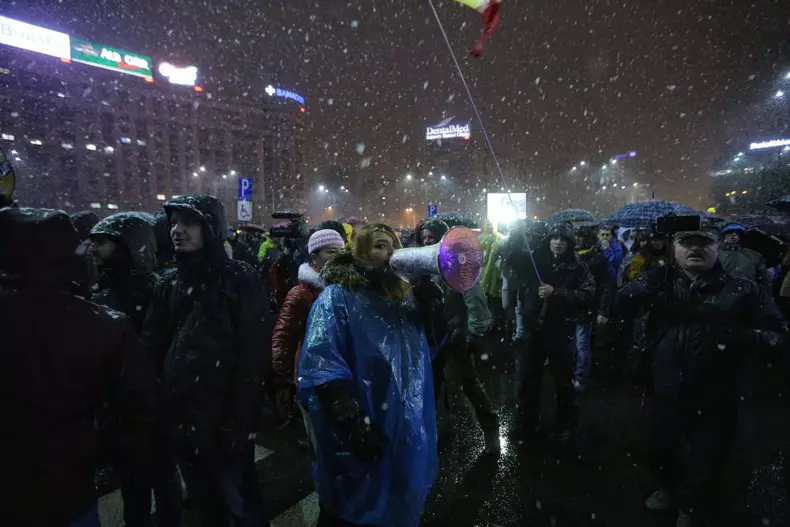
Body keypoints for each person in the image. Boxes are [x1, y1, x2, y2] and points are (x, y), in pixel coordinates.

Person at [617, 230, 786, 527]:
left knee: (707, 457)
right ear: (675, 248)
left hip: (716, 393)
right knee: (658, 449)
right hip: (664, 388)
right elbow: (616, 307)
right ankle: (671, 488)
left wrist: (734, 336)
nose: (695, 249)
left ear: (717, 247)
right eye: (687, 243)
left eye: (704, 243)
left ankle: (692, 504)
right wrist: (640, 286)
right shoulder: (660, 282)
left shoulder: (744, 290)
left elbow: (777, 335)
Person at [0, 207, 156, 526]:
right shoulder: (100, 323)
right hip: (68, 482)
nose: (92, 251)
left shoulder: (107, 318)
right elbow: (138, 408)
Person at [141, 195, 271, 526]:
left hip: (223, 417)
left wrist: (239, 421)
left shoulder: (240, 279)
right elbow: (153, 348)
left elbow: (252, 357)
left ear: (211, 228)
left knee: (238, 502)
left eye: (189, 223)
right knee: (204, 502)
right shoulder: (168, 281)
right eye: (174, 223)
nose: (177, 231)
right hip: (182, 418)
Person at [297, 223, 438, 527]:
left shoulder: (404, 298)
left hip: (400, 433)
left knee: (396, 505)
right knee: (349, 510)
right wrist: (353, 423)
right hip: (360, 436)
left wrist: (434, 311)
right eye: (379, 246)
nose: (388, 254)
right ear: (360, 252)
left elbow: (424, 359)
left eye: (392, 245)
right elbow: (322, 367)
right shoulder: (337, 298)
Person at [87, 212, 183, 526]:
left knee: (163, 480)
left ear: (128, 244)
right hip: (120, 411)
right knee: (133, 487)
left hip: (156, 407)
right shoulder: (99, 293)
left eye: (102, 242)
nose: (93, 249)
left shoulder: (159, 290)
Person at [417, 218, 500, 454]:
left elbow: (476, 305)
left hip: (455, 339)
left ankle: (491, 433)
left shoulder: (458, 266)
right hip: (433, 339)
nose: (427, 241)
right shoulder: (425, 266)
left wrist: (469, 337)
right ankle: (427, 437)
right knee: (429, 388)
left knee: (469, 384)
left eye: (432, 236)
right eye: (424, 237)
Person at [514, 223, 594, 442]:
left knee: (564, 381)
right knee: (528, 381)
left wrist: (556, 293)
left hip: (561, 329)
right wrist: (515, 232)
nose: (558, 242)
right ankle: (527, 423)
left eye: (563, 239)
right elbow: (510, 255)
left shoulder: (577, 265)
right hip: (534, 330)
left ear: (569, 243)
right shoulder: (535, 260)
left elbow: (587, 294)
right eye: (555, 238)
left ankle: (565, 424)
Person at [271, 229, 345, 417]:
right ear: (315, 256)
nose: (338, 257)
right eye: (331, 252)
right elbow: (283, 338)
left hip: (342, 379)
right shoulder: (301, 294)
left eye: (341, 252)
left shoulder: (347, 290)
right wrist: (283, 382)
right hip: (310, 379)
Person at [573, 226, 614, 391]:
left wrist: (604, 310)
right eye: (575, 236)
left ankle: (579, 377)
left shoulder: (596, 257)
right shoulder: (571, 256)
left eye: (580, 237)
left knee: (582, 344)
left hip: (586, 307)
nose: (576, 240)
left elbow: (606, 285)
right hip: (570, 306)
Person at [718, 222, 769, 288]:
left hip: (747, 293)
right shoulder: (716, 254)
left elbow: (763, 278)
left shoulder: (754, 255)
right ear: (723, 235)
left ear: (740, 236)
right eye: (729, 232)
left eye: (737, 232)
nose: (733, 234)